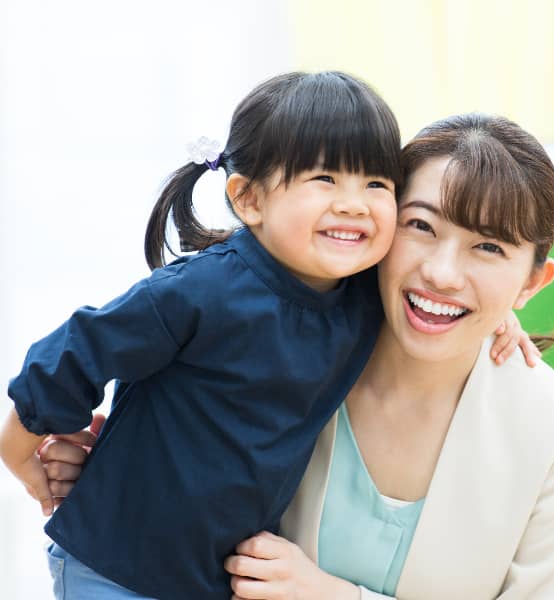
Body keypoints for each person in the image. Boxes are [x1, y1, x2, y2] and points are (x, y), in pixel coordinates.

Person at [1, 71, 527, 600]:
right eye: (324, 179)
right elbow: (80, 347)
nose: (353, 203)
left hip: (211, 579)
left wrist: (496, 314)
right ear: (249, 199)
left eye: (376, 184)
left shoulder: (362, 297)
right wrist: (19, 446)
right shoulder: (200, 290)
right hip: (113, 562)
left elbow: (434, 292)